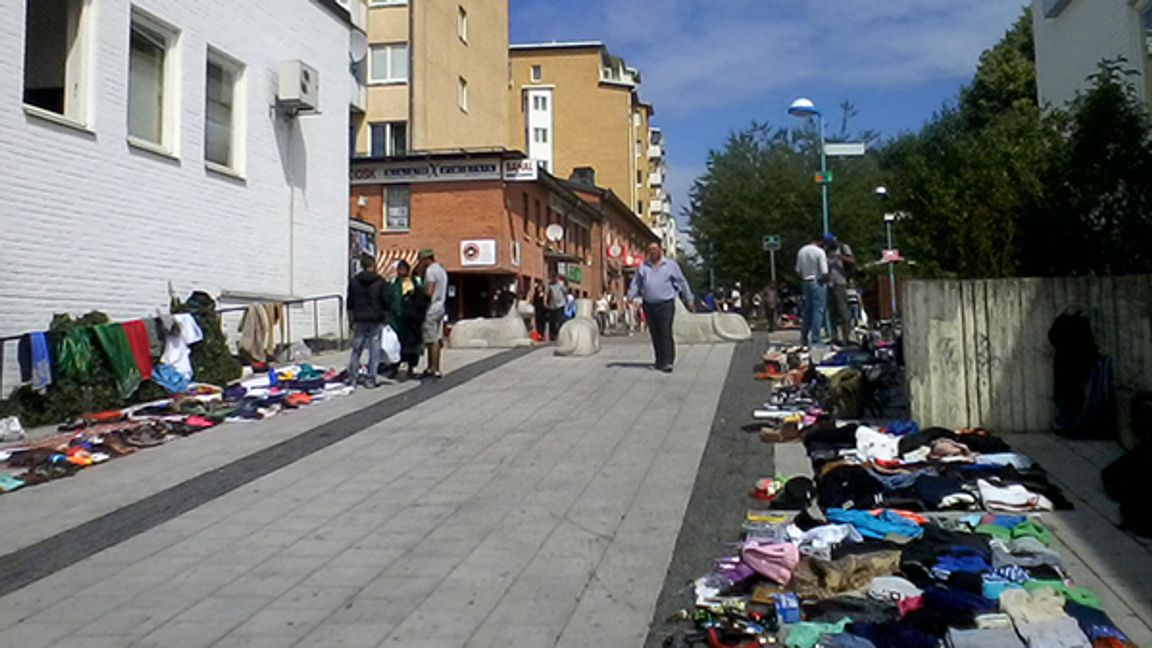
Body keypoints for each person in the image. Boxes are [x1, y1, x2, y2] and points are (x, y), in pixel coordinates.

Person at [627, 243, 694, 373]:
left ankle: (668, 361)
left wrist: (689, 299)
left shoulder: (670, 265)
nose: (653, 252)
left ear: (660, 251)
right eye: (650, 250)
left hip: (666, 303)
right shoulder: (643, 267)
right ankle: (659, 360)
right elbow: (636, 282)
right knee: (655, 333)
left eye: (655, 250)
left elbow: (681, 281)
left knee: (665, 331)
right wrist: (631, 295)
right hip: (649, 304)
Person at [346, 254, 389, 388]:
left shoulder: (354, 281)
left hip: (360, 318)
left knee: (356, 349)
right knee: (374, 349)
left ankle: (353, 377)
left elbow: (350, 302)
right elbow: (385, 300)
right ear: (373, 265)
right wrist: (385, 315)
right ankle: (371, 378)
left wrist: (351, 318)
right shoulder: (380, 281)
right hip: (375, 318)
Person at [387, 259, 426, 380]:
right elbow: (389, 299)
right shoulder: (393, 283)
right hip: (397, 319)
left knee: (413, 345)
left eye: (403, 269)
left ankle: (411, 367)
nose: (401, 271)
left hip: (412, 319)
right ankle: (395, 367)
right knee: (396, 345)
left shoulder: (416, 282)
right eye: (399, 269)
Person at [415, 248, 448, 380]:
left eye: (421, 260)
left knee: (431, 340)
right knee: (437, 338)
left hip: (432, 308)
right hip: (441, 306)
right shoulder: (441, 270)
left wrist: (419, 291)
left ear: (425, 259)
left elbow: (429, 291)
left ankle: (434, 369)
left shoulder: (430, 271)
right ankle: (433, 367)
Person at [796, 236, 830, 348]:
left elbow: (798, 270)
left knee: (808, 311)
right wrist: (825, 281)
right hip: (817, 281)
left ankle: (804, 337)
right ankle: (816, 338)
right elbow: (824, 271)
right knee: (818, 310)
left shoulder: (801, 251)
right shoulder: (820, 252)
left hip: (805, 281)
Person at [824, 233, 856, 345]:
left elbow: (852, 260)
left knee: (843, 310)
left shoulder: (843, 247)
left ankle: (846, 336)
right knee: (831, 311)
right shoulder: (826, 250)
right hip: (829, 283)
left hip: (841, 282)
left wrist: (840, 257)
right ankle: (834, 336)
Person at [546, 274, 567, 340]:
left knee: (560, 320)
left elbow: (565, 291)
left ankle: (557, 333)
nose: (554, 280)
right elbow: (549, 294)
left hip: (561, 304)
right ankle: (552, 335)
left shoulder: (561, 284)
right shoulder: (550, 285)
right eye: (553, 278)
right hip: (553, 305)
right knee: (552, 321)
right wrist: (547, 303)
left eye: (555, 278)